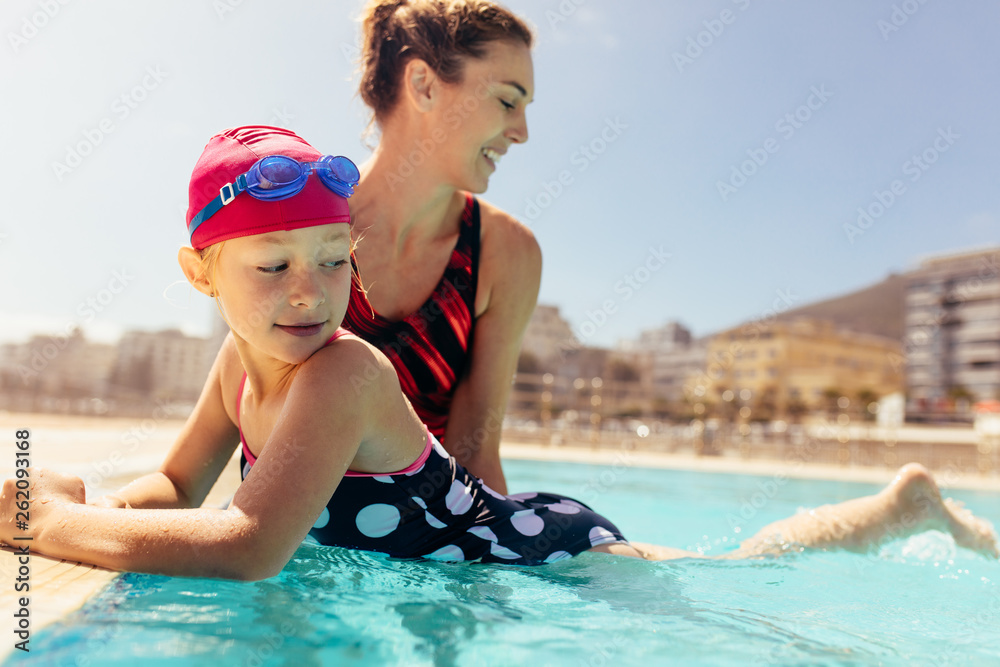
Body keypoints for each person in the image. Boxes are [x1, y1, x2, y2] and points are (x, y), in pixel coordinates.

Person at [1, 127, 996, 581]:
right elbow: (178, 487)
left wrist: (47, 525)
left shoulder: (343, 371)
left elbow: (250, 546)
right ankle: (897, 506)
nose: (307, 292)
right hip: (485, 538)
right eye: (270, 267)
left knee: (721, 573)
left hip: (536, 551)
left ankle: (893, 505)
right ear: (199, 274)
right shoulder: (237, 369)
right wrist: (80, 499)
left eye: (330, 260)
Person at [343, 0, 540, 494]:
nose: (521, 133)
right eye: (506, 101)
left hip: (432, 533)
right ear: (424, 85)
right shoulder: (304, 221)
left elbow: (474, 458)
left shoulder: (505, 253)